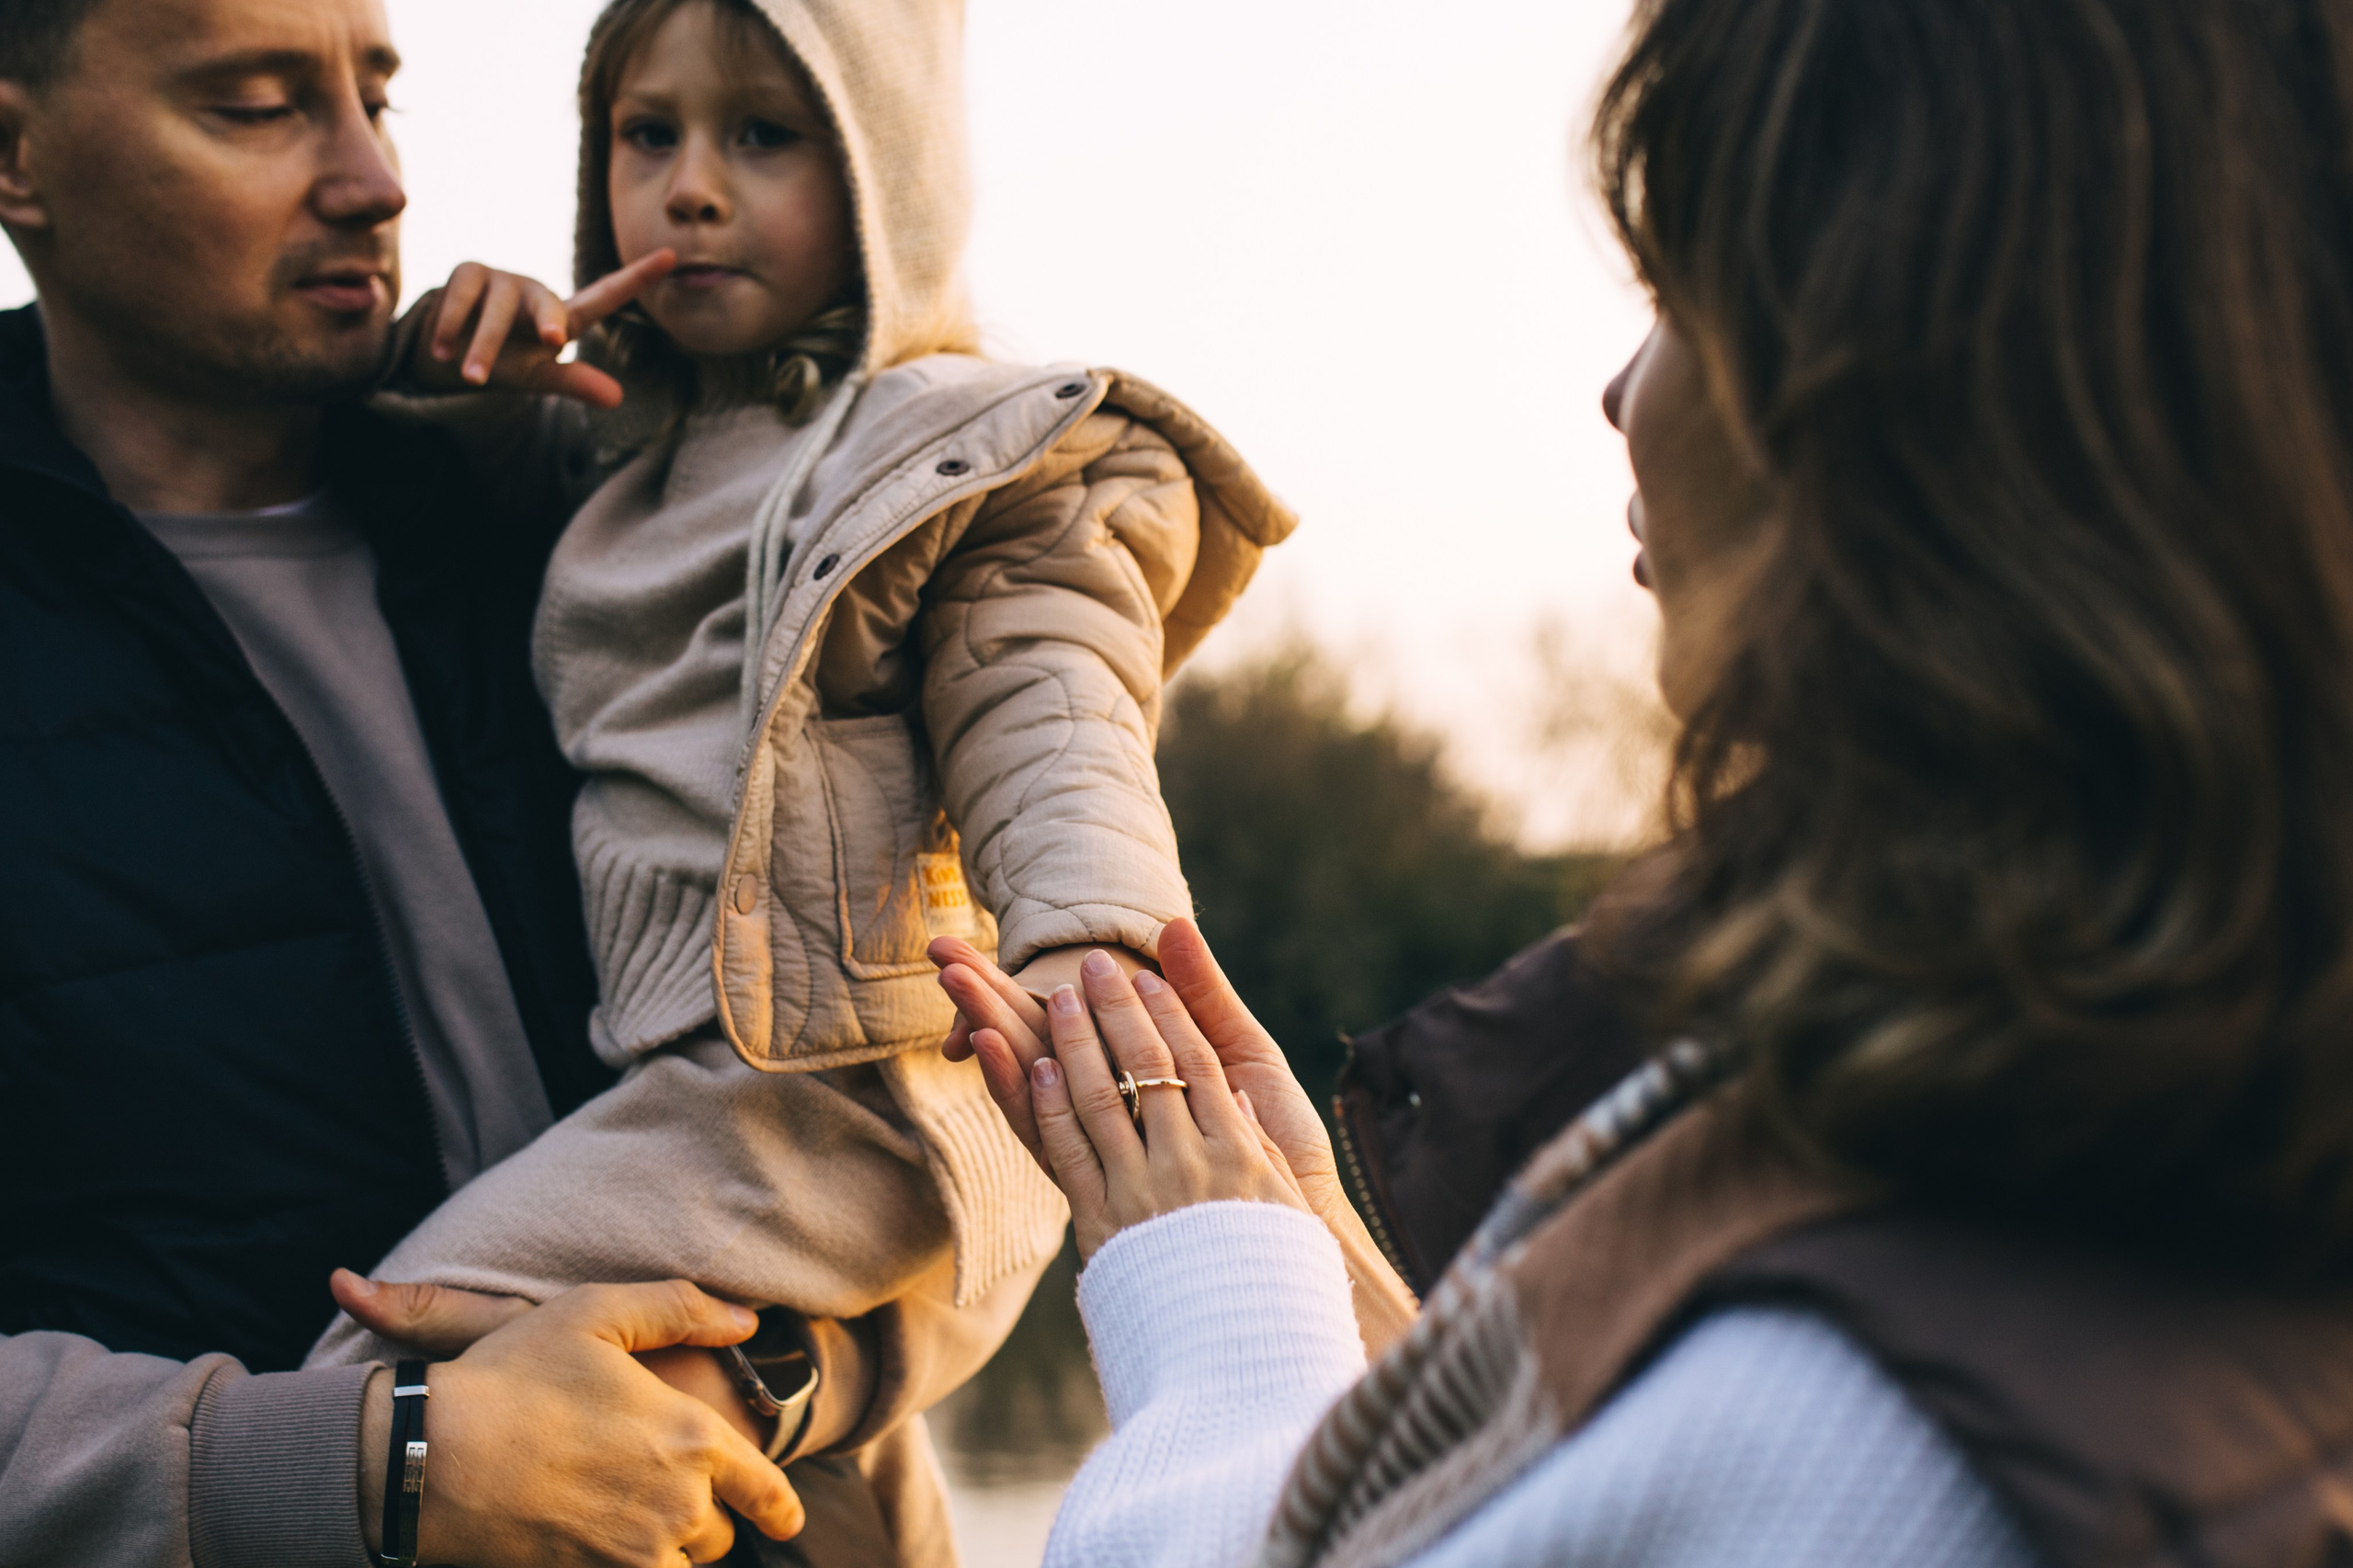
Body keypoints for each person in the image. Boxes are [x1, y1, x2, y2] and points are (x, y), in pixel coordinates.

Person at [933, 0, 2353, 1562]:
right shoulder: (2132, 1178)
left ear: (1900, 399)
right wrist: (1328, 1261)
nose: (1623, 391)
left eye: (1681, 294)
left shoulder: (1862, 1434)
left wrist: (1213, 1302)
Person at [300, 0, 1308, 1558]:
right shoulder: (615, 444)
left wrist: (1090, 942)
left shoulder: (949, 457)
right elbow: (430, 487)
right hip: (687, 1072)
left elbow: (1049, 711)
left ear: (888, 177)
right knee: (790, 1468)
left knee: (387, 1395)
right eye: (652, 136)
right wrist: (466, 354)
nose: (692, 188)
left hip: (829, 1086)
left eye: (764, 137)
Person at [0, 0, 811, 1562]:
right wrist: (364, 1462)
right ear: (16, 155)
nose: (373, 179)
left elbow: (950, 1113)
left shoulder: (594, 539)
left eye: (377, 97)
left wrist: (775, 1367)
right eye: (254, 106)